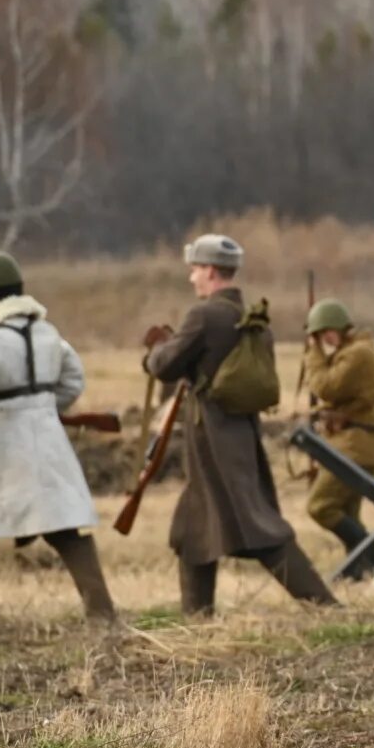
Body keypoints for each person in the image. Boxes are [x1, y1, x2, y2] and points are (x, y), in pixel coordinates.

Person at [144, 234, 338, 615]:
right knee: (194, 526)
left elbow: (167, 364)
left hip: (212, 435)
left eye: (196, 269)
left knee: (257, 525)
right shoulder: (252, 318)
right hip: (239, 432)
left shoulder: (204, 315)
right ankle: (197, 618)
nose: (192, 278)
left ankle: (325, 605)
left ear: (213, 272)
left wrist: (153, 352)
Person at [0, 250, 117, 623]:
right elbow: (74, 378)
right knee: (65, 531)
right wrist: (42, 406)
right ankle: (102, 614)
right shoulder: (48, 333)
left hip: (1, 441)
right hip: (46, 436)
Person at [301, 299, 374, 581]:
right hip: (360, 442)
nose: (324, 338)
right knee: (348, 512)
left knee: (321, 506)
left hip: (359, 445)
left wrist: (312, 353)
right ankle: (357, 571)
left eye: (328, 331)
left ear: (342, 328)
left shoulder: (357, 354)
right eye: (319, 334)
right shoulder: (351, 352)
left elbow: (325, 385)